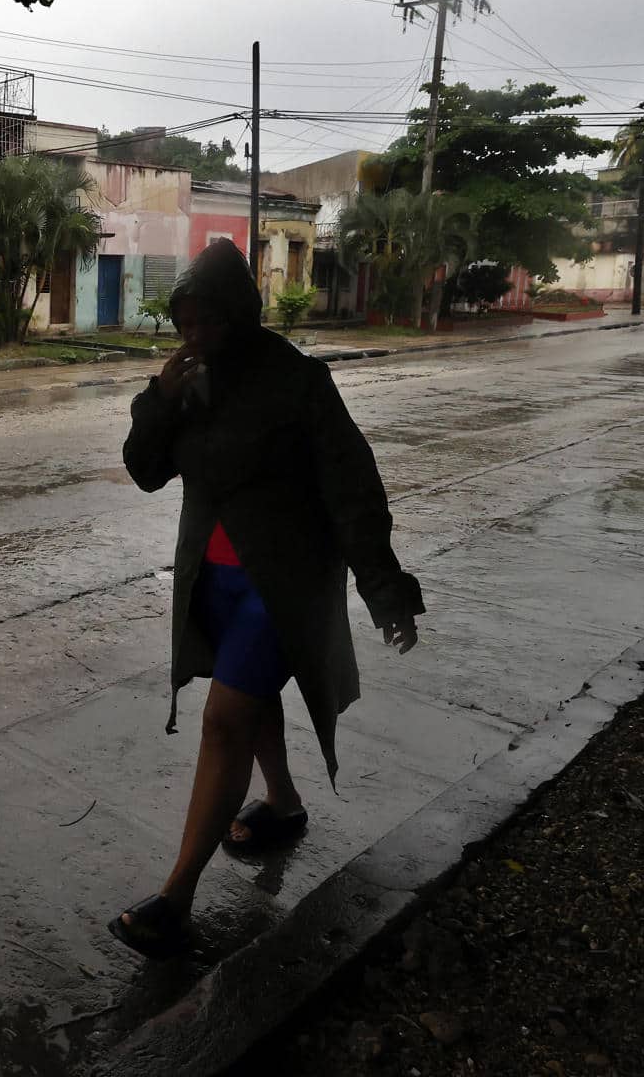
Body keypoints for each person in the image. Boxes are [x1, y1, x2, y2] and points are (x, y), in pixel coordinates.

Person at [109, 239, 423, 959]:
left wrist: (383, 586)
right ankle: (282, 803)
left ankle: (174, 900)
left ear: (243, 317)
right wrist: (158, 400)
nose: (196, 336)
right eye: (186, 322)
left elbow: (352, 490)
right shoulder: (188, 384)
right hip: (212, 577)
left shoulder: (298, 382)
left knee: (224, 721)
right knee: (245, 700)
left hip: (282, 585)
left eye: (210, 322)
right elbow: (145, 472)